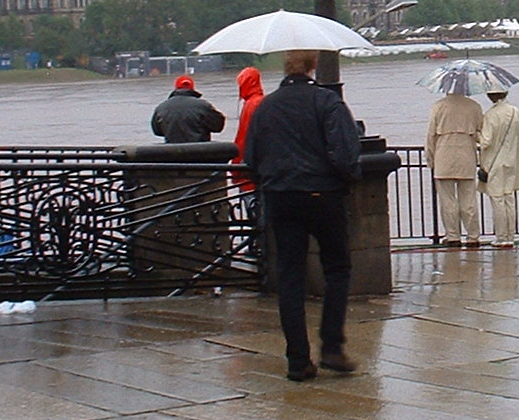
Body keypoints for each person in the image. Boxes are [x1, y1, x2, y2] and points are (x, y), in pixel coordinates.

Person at [240, 50, 362, 382]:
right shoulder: (327, 102)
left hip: (281, 197)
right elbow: (345, 152)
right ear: (312, 67)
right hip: (323, 195)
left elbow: (251, 157)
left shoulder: (266, 107)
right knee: (337, 268)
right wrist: (345, 180)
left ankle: (297, 360)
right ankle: (332, 347)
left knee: (290, 276)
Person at [425, 87, 485, 247]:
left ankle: (453, 236)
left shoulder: (438, 106)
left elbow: (431, 135)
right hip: (466, 157)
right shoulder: (474, 106)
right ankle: (473, 237)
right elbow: (482, 133)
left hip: (443, 157)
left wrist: (430, 158)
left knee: (447, 201)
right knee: (469, 201)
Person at [477, 86, 519, 248]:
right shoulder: (515, 112)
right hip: (512, 161)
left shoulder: (491, 115)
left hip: (494, 164)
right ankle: (511, 236)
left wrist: (475, 135)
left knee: (497, 199)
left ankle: (501, 237)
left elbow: (486, 141)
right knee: (509, 199)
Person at [150, 74, 226, 144]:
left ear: (176, 88)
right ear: (192, 88)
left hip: (173, 151)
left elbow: (157, 131)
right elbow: (218, 126)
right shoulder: (203, 106)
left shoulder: (161, 108)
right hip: (200, 150)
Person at [230, 65, 264, 193]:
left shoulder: (251, 105)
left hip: (249, 172)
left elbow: (243, 137)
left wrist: (235, 167)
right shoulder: (262, 101)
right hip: (262, 169)